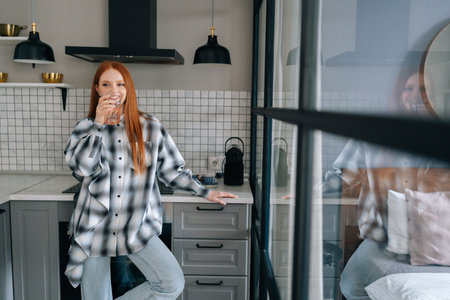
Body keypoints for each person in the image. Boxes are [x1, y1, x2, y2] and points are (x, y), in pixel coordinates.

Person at [64, 60, 237, 300]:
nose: (114, 90)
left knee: (171, 282)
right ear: (97, 89)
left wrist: (205, 191)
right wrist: (98, 125)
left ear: (129, 88)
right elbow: (82, 169)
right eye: (106, 84)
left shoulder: (151, 127)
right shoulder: (84, 128)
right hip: (94, 225)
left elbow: (173, 171)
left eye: (120, 84)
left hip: (135, 224)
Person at [320, 67, 450, 299]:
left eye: (422, 89)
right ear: (398, 93)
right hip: (386, 237)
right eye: (408, 88)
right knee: (350, 283)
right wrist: (311, 192)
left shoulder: (441, 133)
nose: (415, 95)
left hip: (437, 234)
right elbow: (341, 175)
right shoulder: (374, 132)